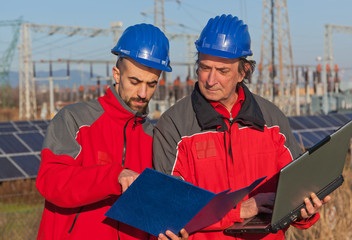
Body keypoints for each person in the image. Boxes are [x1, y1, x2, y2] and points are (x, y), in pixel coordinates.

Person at [153, 14, 330, 240]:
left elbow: (294, 190)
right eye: (205, 68)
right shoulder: (174, 126)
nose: (210, 80)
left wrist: (305, 211)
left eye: (223, 71)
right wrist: (238, 211)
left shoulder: (272, 120)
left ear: (243, 71)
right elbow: (168, 208)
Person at [36, 23, 188, 240]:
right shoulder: (75, 120)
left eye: (151, 84)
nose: (143, 93)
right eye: (134, 81)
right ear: (117, 74)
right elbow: (51, 181)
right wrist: (113, 175)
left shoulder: (153, 138)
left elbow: (152, 209)